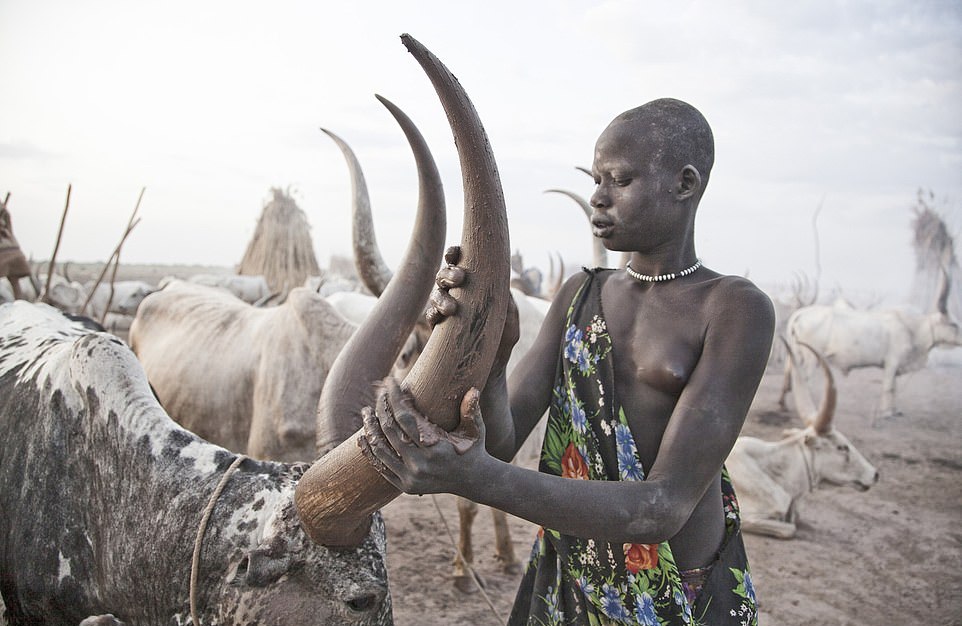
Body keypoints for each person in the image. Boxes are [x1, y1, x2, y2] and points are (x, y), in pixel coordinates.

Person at [361, 98, 774, 625]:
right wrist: (490, 350)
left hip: (676, 596)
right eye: (597, 178)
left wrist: (472, 479)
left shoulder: (734, 308)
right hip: (572, 574)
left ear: (685, 184)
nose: (597, 197)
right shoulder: (581, 293)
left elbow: (661, 508)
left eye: (619, 180)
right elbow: (502, 440)